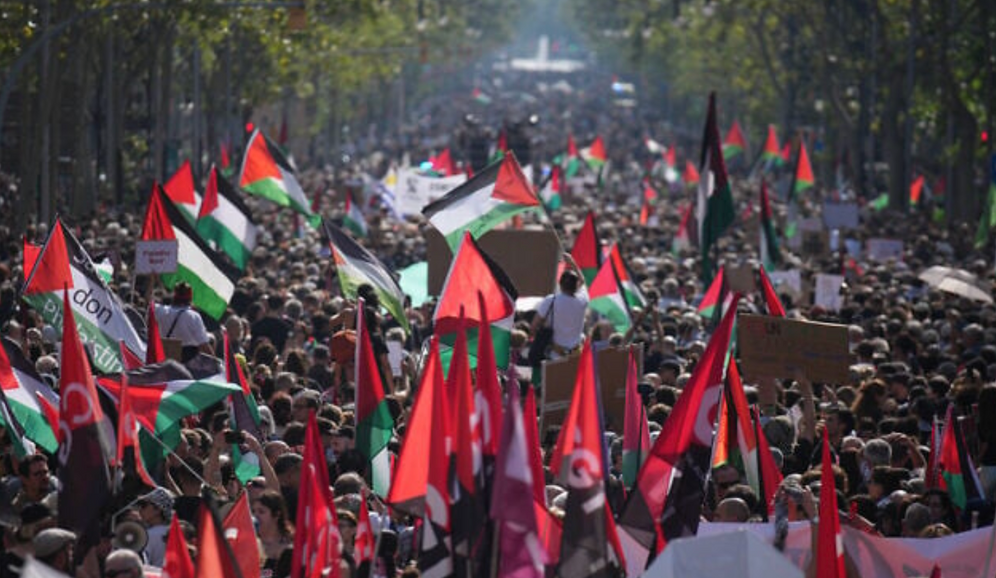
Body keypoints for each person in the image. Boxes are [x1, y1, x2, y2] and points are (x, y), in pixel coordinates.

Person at [530, 262, 587, 364]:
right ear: (576, 286)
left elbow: (534, 326)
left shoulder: (551, 300)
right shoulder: (582, 301)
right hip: (576, 356)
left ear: (560, 284)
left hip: (553, 356)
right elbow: (582, 280)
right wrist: (572, 262)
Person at [155, 282, 212, 362]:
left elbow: (149, 303)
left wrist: (153, 280)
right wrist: (217, 364)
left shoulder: (161, 311)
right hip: (186, 361)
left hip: (163, 358)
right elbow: (204, 346)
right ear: (190, 298)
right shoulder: (193, 316)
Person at [252, 490, 294, 578]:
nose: (256, 516)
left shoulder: (291, 545)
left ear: (276, 515)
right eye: (254, 511)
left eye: (261, 512)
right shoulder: (252, 545)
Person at [135, 487, 173, 567]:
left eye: (144, 505)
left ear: (158, 510)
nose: (140, 509)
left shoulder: (147, 535)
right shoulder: (176, 532)